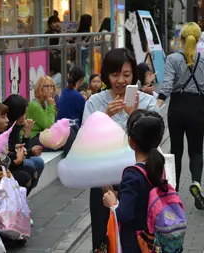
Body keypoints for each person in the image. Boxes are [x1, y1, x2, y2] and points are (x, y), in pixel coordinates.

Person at [83, 48, 159, 252]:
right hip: (103, 182)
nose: (121, 81)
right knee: (104, 239)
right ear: (106, 75)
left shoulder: (148, 102)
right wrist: (104, 117)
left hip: (140, 183)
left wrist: (134, 116)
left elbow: (153, 143)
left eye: (126, 75)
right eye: (115, 75)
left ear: (134, 75)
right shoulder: (95, 102)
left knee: (137, 240)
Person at [157, 22, 204, 210]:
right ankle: (196, 183)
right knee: (196, 151)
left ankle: (173, 191)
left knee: (175, 151)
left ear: (181, 39)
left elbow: (167, 85)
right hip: (197, 107)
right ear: (198, 40)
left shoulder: (172, 59)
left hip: (177, 106)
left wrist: (159, 102)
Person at [102, 109, 165, 252]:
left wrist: (111, 202)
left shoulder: (132, 174)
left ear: (130, 140)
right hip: (153, 239)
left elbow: (125, 213)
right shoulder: (158, 166)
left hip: (135, 243)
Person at [3, 94, 44, 195]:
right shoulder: (5, 128)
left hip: (14, 160)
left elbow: (20, 150)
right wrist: (27, 152)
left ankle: (22, 200)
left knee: (38, 162)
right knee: (30, 166)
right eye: (23, 114)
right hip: (7, 163)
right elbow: (9, 154)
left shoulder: (16, 127)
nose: (24, 117)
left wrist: (27, 133)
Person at [26, 76, 57, 146]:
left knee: (70, 130)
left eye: (51, 86)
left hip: (40, 135)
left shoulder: (43, 103)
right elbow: (49, 126)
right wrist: (51, 106)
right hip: (32, 138)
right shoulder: (35, 105)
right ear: (40, 88)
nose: (49, 89)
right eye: (46, 86)